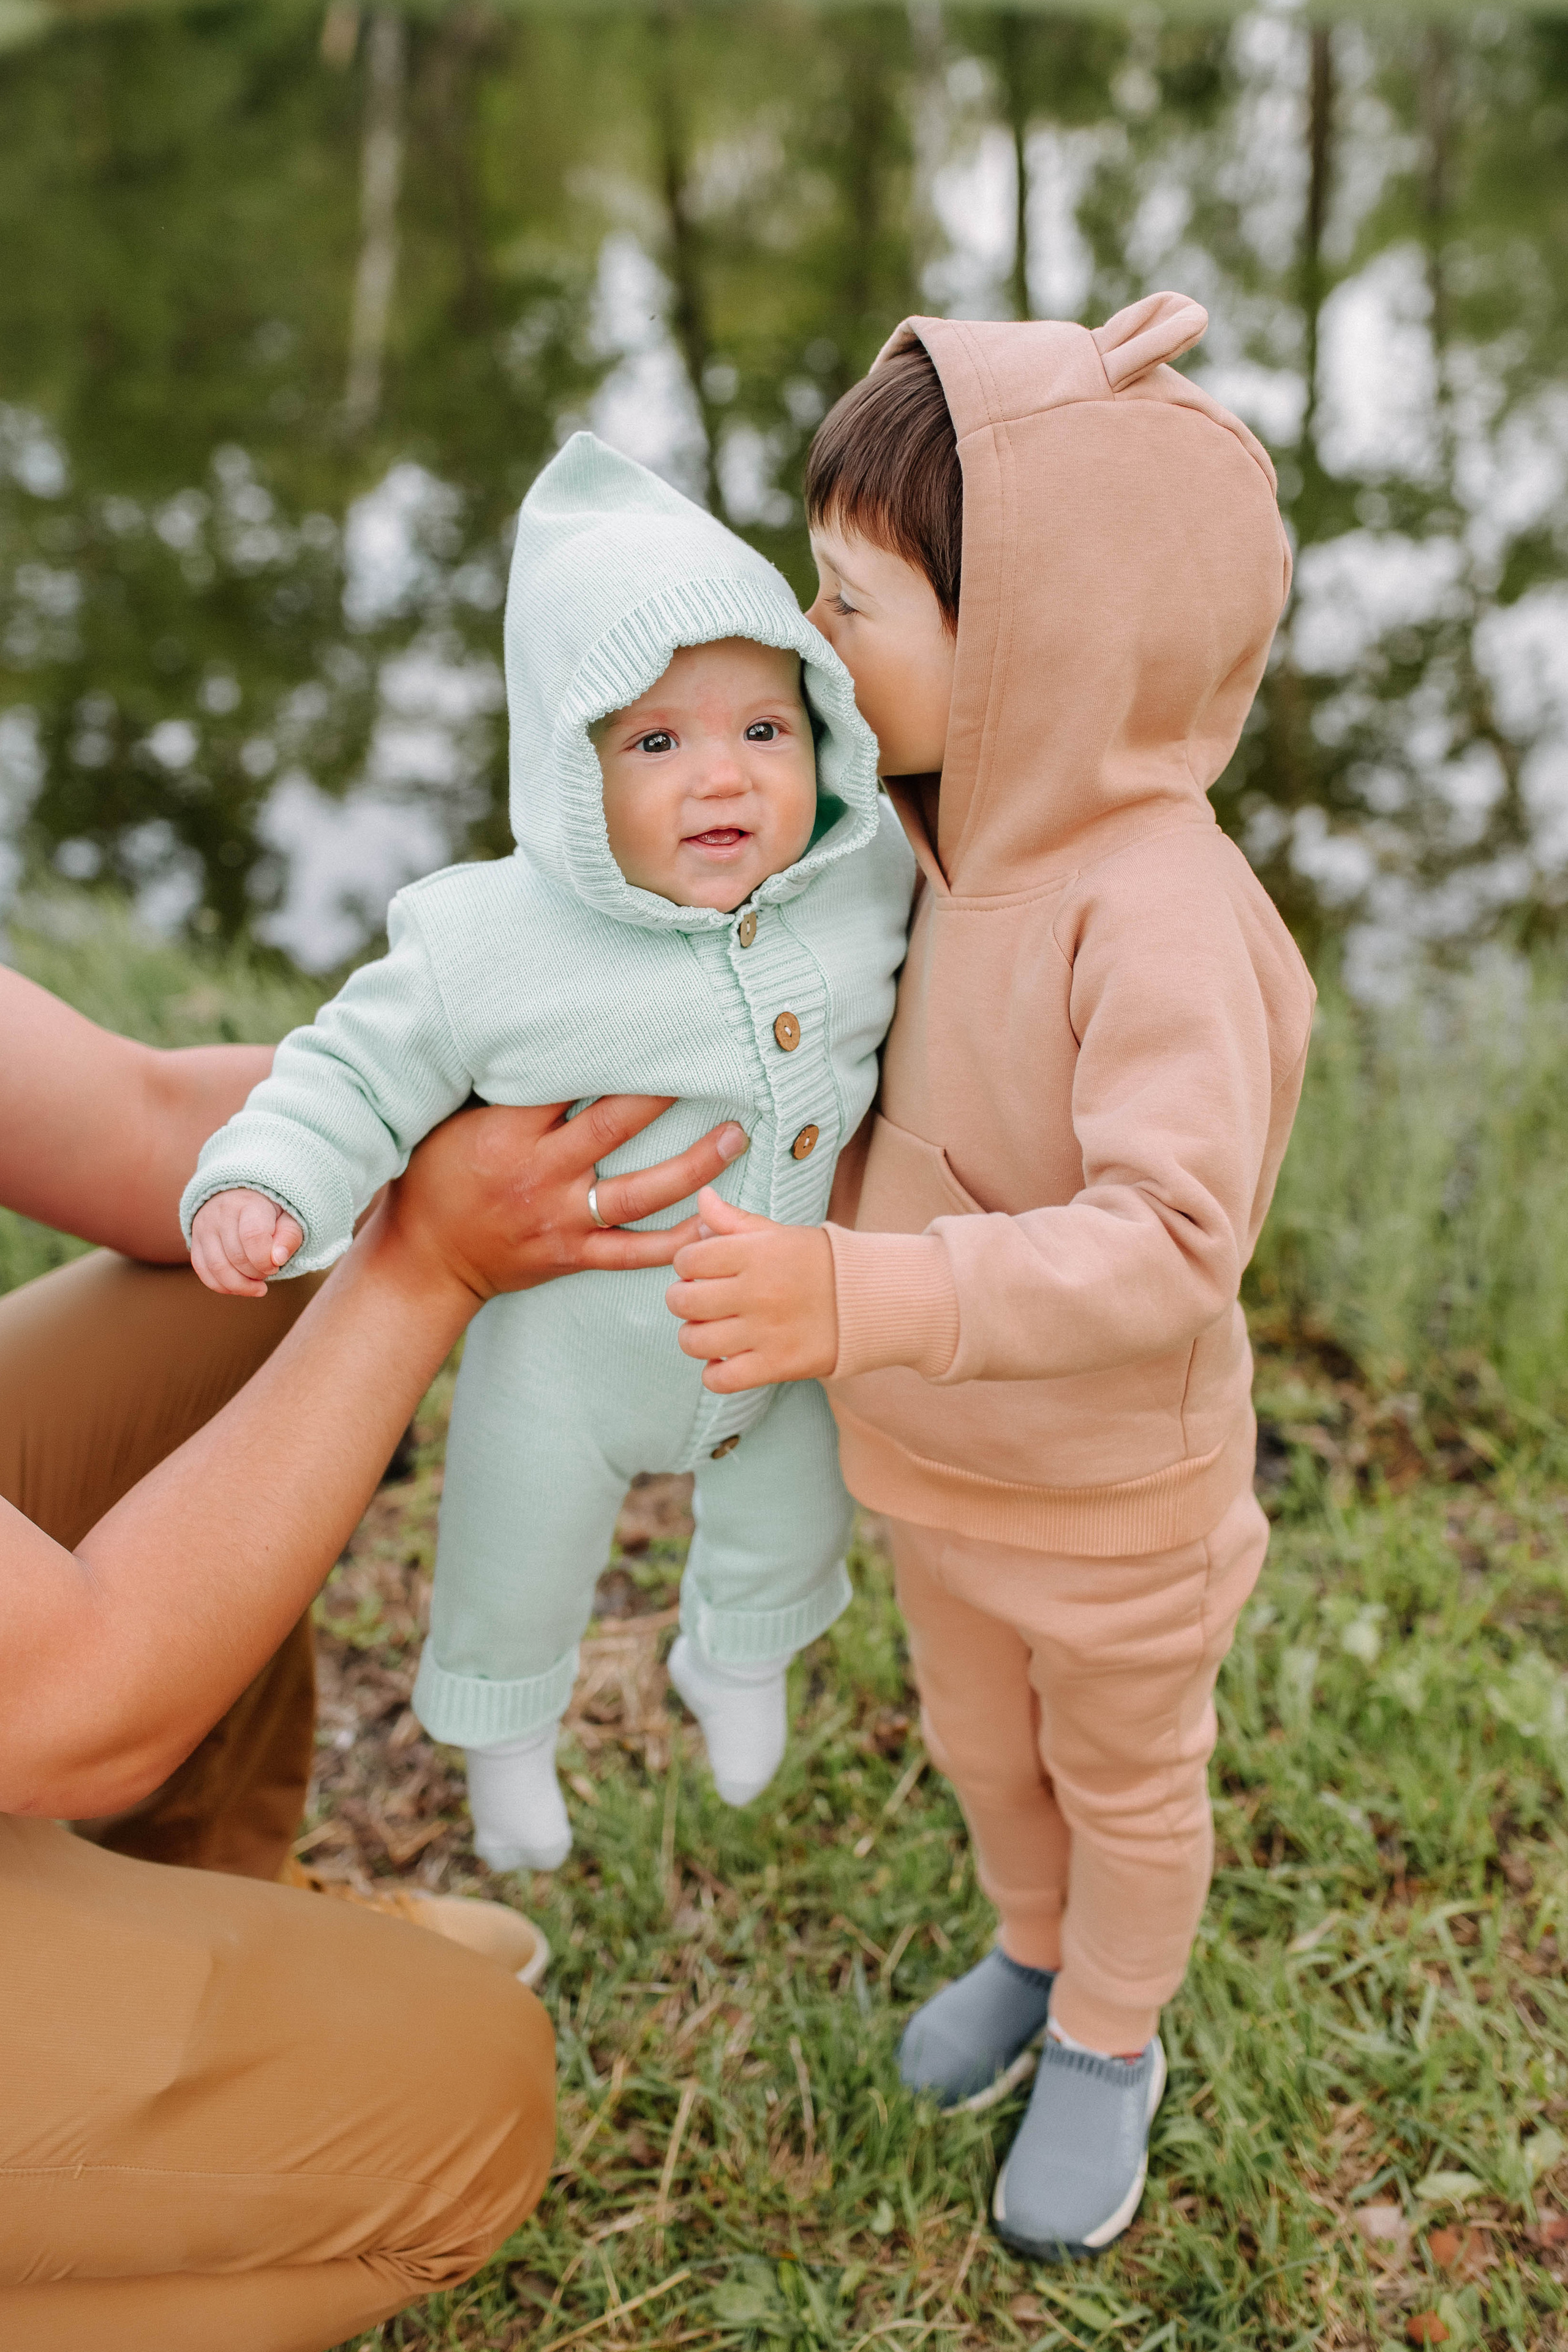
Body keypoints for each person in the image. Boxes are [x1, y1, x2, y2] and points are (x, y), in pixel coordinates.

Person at [665, 292, 1316, 2259]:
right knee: (979, 1741)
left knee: (1124, 1776)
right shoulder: (920, 835)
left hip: (1112, 1498)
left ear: (1034, 643)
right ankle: (1033, 1949)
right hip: (938, 1468)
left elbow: (1172, 1241)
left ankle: (1111, 2032)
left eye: (855, 604)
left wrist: (863, 1299)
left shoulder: (1160, 914)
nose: (813, 635)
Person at [180, 432, 914, 1877]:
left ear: (822, 728)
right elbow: (352, 1068)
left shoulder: (867, 871)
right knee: (513, 1554)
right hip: (569, 1357)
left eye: (764, 731)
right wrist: (270, 1178)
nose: (722, 778)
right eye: (657, 744)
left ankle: (736, 1656)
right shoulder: (487, 938)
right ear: (569, 767)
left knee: (792, 1506)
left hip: (784, 1320)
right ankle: (505, 1737)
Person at [0, 955, 747, 2351]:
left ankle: (200, 1883)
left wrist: (518, 1075)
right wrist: (431, 1262)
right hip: (48, 1693)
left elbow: (147, 1119)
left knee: (256, 1244)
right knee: (470, 2105)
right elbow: (78, 1700)